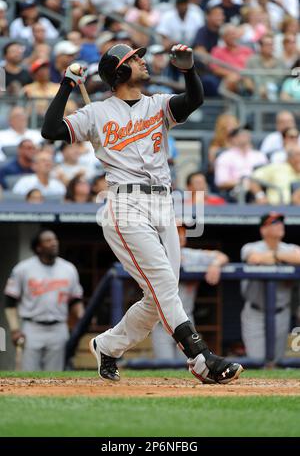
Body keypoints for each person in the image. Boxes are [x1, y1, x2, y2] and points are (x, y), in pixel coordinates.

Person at [41, 42, 243, 384]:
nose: (142, 61)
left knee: (159, 297)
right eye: (133, 59)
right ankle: (200, 357)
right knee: (164, 285)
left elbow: (194, 101)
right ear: (119, 71)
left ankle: (107, 345)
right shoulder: (97, 112)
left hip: (163, 203)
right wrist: (66, 86)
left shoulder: (158, 103)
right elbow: (51, 130)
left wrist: (188, 70)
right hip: (125, 203)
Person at [4, 230, 84, 371]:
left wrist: (82, 317)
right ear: (38, 247)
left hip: (58, 327)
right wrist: (15, 329)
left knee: (55, 375)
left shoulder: (68, 269)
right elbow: (10, 301)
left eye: (55, 239)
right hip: (32, 327)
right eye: (48, 240)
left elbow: (75, 300)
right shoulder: (23, 269)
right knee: (29, 374)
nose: (54, 243)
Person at [152, 224, 229, 359]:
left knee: (187, 365)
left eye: (182, 232)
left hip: (186, 320)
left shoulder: (191, 255)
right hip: (161, 322)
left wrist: (215, 264)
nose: (180, 236)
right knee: (164, 366)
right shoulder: (156, 254)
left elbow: (222, 256)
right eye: (175, 232)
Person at [240, 212, 300, 361]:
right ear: (263, 230)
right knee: (257, 360)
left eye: (281, 222)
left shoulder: (290, 247)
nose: (280, 225)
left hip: (281, 312)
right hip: (256, 312)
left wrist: (275, 257)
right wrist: (284, 257)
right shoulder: (251, 247)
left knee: (277, 361)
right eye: (274, 223)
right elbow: (255, 258)